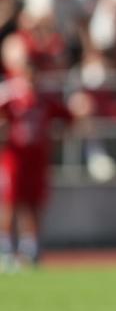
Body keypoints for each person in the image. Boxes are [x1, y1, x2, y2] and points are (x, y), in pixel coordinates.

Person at [0, 35, 79, 269]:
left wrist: (58, 136)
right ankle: (5, 249)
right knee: (10, 203)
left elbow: (68, 118)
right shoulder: (11, 96)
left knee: (35, 204)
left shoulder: (45, 99)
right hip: (14, 158)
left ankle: (30, 248)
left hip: (38, 158)